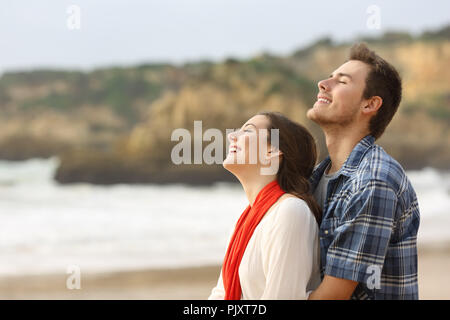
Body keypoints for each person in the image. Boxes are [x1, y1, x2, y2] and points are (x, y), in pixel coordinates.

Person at [306, 43, 420, 300]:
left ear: (369, 104)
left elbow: (332, 297)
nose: (323, 84)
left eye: (341, 82)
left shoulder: (374, 180)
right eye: (329, 77)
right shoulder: (314, 178)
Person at [208, 111, 321, 300]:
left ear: (273, 151)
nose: (232, 136)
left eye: (248, 131)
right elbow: (222, 293)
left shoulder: (291, 211)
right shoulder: (247, 220)